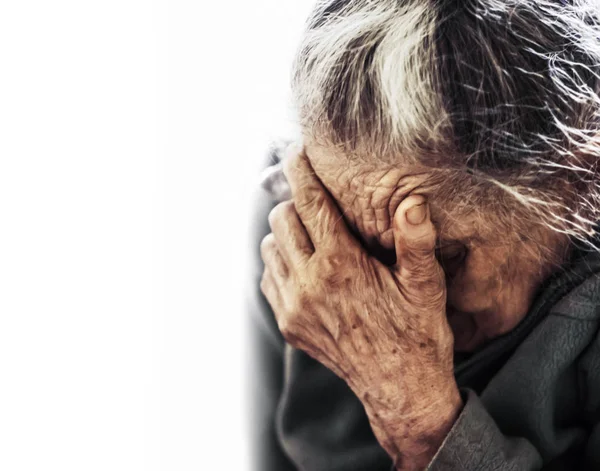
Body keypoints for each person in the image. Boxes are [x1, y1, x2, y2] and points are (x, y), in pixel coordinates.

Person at [248, 1, 600, 469]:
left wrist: (422, 424)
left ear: (576, 183)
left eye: (445, 256)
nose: (392, 308)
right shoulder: (296, 239)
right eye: (364, 246)